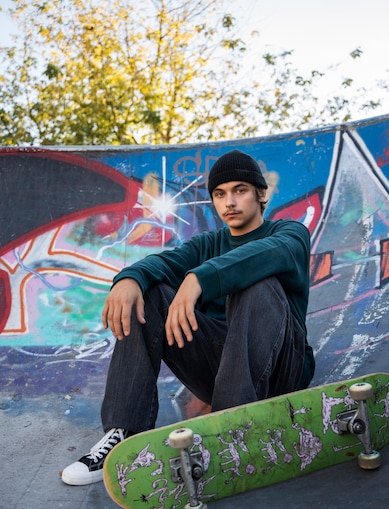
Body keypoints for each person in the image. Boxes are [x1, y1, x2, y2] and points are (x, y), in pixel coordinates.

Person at [61, 149, 315, 485]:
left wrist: (199, 278)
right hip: (219, 370)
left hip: (284, 368)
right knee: (148, 293)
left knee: (258, 280)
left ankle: (227, 432)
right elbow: (163, 263)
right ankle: (124, 435)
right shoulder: (206, 244)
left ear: (260, 193)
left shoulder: (289, 233)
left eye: (240, 190)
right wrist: (128, 279)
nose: (230, 202)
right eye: (220, 194)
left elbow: (270, 254)